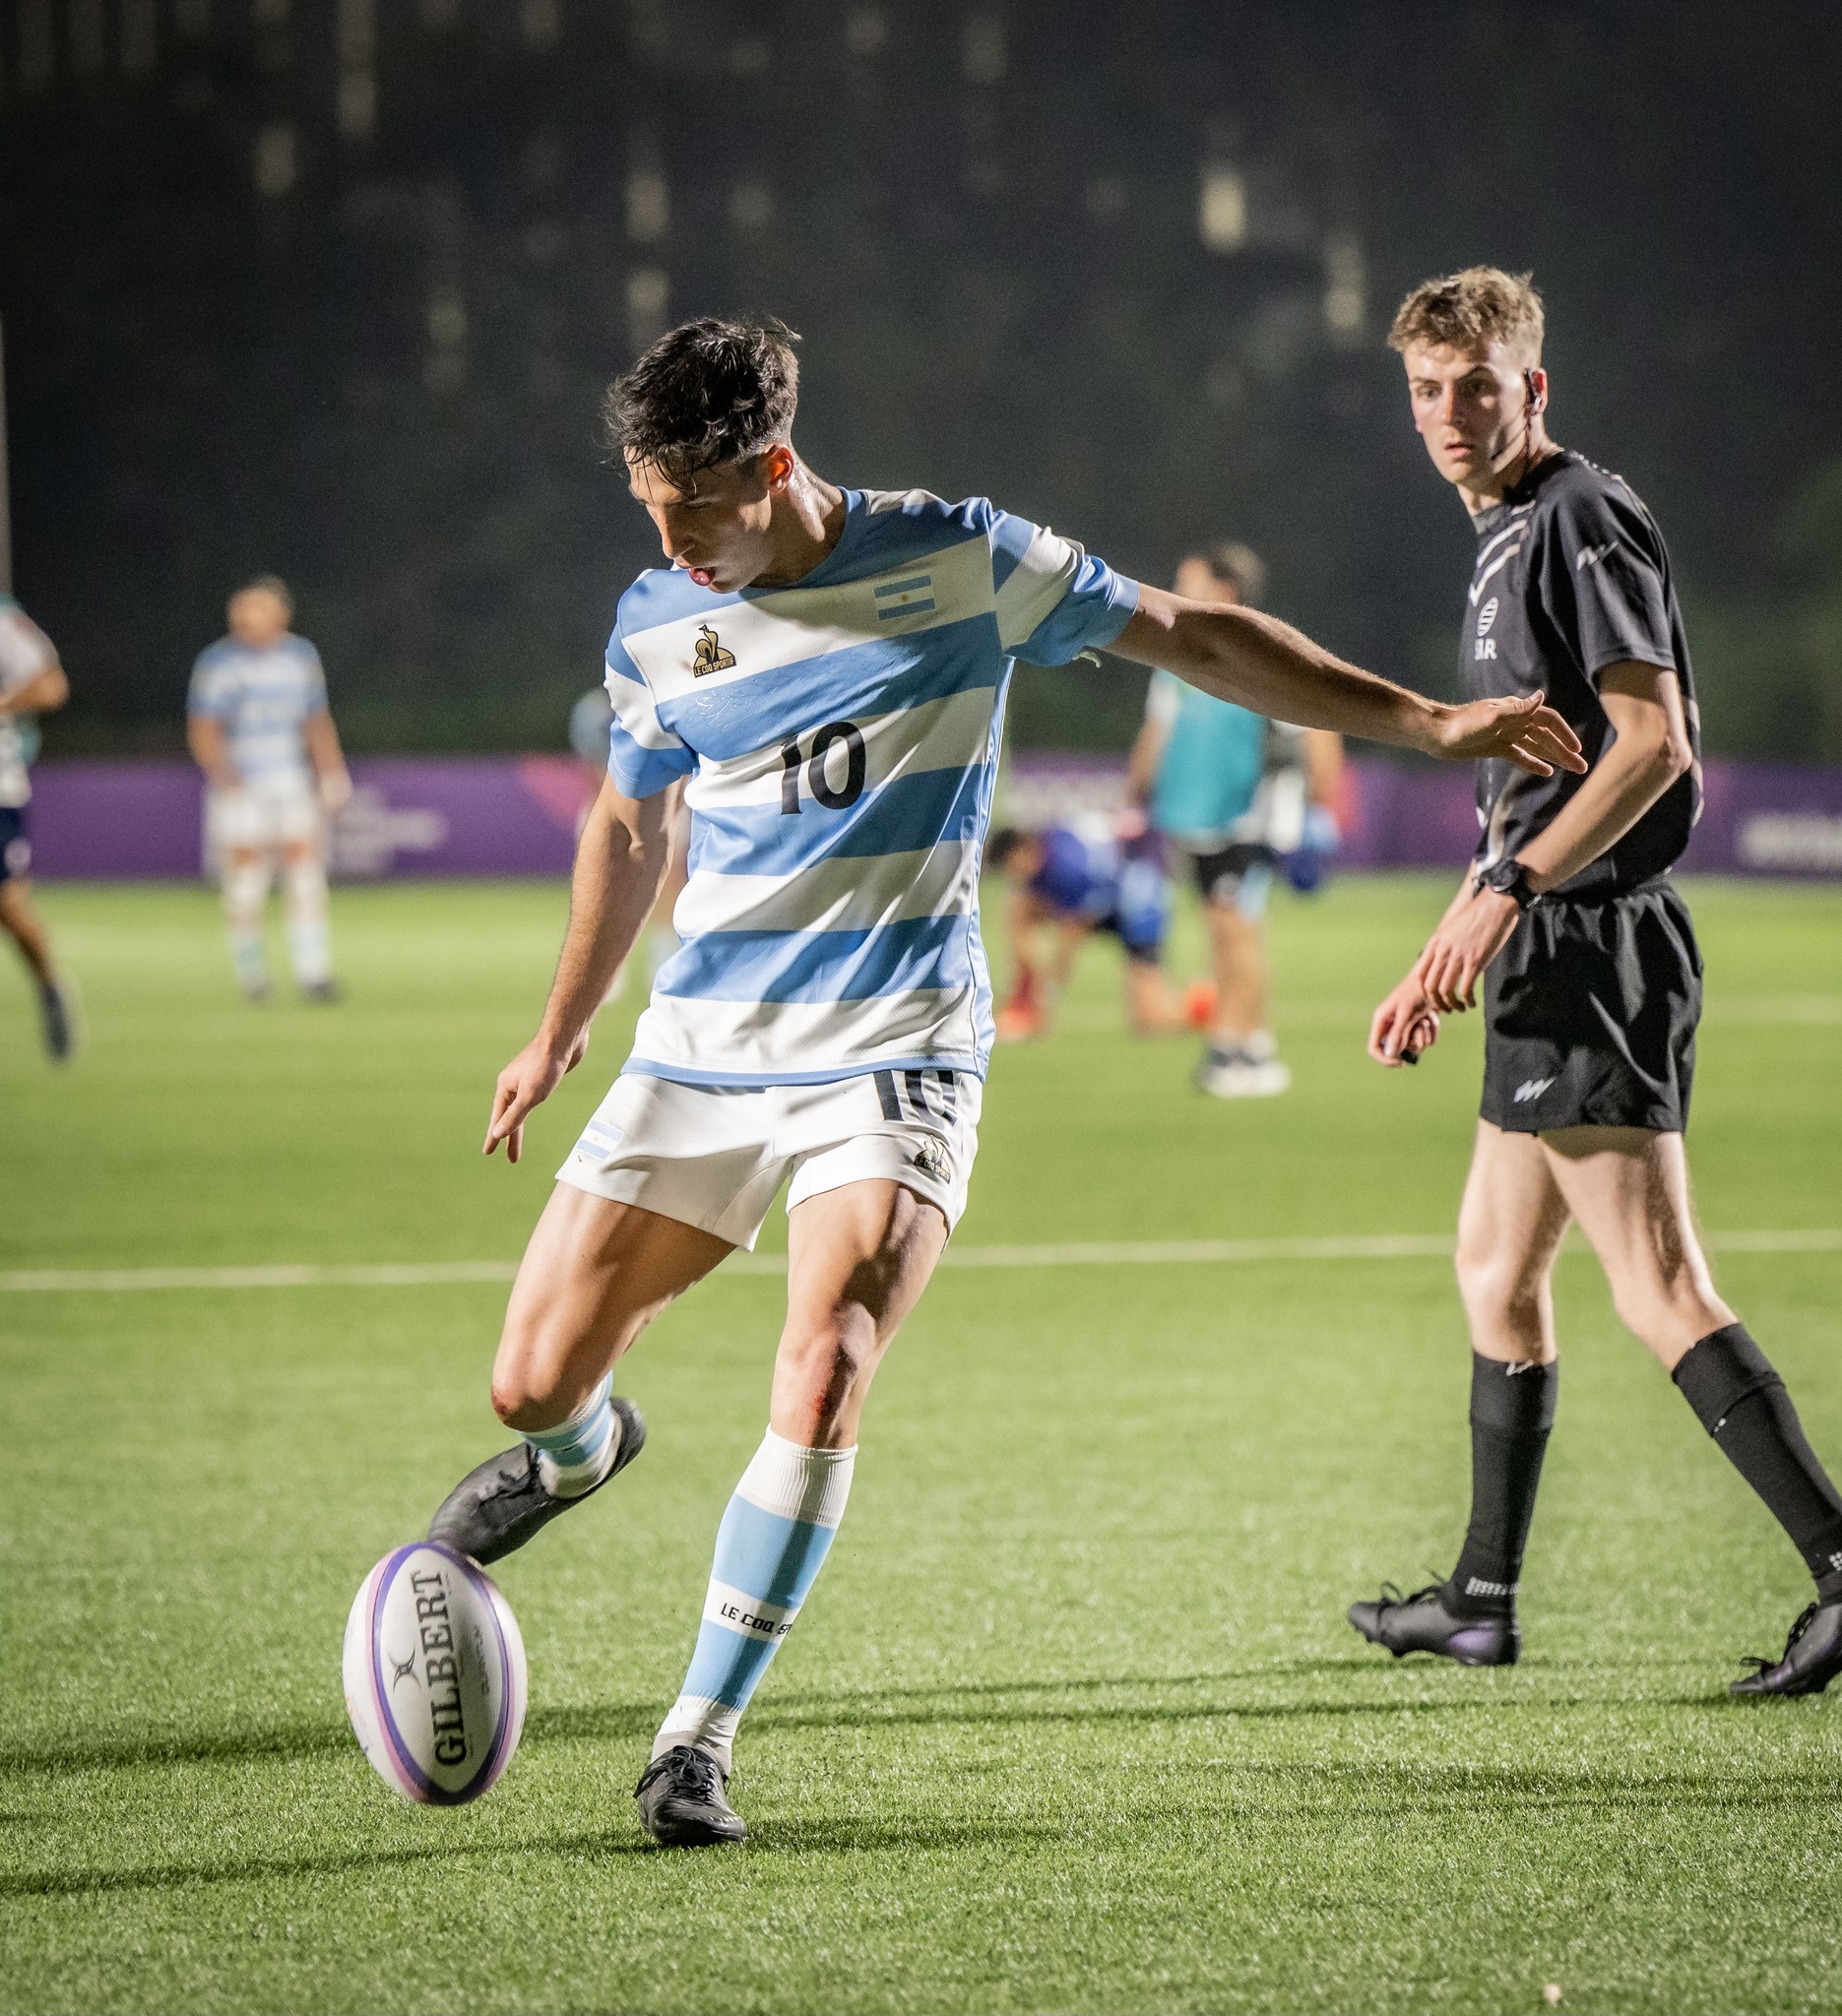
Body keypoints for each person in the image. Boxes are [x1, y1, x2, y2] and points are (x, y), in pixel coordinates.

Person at [418, 315, 1581, 1852]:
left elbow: (1192, 635)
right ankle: (582, 1452)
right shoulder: (655, 622)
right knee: (530, 1381)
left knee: (827, 1359)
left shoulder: (962, 559)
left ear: (771, 466)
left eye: (691, 511)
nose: (668, 541)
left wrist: (1426, 723)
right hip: (701, 1049)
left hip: (897, 1047)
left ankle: (695, 1741)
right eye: (647, 510)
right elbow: (632, 825)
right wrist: (561, 1027)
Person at [1349, 267, 1842, 1697]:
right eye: (1426, 390)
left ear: (1532, 387)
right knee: (1494, 1268)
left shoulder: (1579, 511)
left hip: (1593, 945)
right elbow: (1529, 791)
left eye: (1476, 386)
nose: (1449, 414)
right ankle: (1480, 1599)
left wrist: (1514, 895)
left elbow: (1652, 744)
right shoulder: (1500, 537)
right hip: (1548, 939)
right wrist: (1457, 929)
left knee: (1658, 1286)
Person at [1128, 543, 1346, 1097]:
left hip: (1252, 814)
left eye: (1189, 580)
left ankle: (1244, 1049)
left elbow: (1321, 724)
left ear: (1224, 591)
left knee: (1237, 928)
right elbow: (1156, 736)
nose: (1178, 590)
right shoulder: (1177, 661)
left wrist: (1318, 804)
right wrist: (1134, 796)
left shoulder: (1267, 652)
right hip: (1195, 818)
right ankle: (1242, 1042)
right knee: (1221, 932)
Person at [186, 578, 351, 1001]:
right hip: (242, 785)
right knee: (246, 877)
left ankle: (313, 971)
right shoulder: (218, 663)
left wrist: (332, 773)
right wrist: (222, 775)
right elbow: (203, 728)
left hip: (290, 781)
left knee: (304, 873)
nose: (244, 620)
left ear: (280, 615)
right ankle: (253, 974)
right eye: (239, 612)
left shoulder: (300, 657)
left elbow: (316, 721)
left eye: (255, 611)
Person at [985, 814, 1210, 1040]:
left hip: (1137, 910)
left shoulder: (1066, 867)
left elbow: (1070, 938)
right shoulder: (1043, 854)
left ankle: (1203, 1005)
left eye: (1011, 865)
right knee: (1017, 906)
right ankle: (1021, 999)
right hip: (1099, 905)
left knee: (1151, 1021)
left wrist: (1047, 996)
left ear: (1024, 850)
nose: (1013, 874)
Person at [0, 592, 77, 1059]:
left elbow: (51, 687)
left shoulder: (5, 623)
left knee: (9, 909)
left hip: (0, 790)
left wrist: (3, 702)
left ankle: (49, 987)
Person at [571, 683, 687, 986]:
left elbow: (682, 761)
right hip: (609, 805)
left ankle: (663, 955)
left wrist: (673, 808)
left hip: (661, 801)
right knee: (599, 883)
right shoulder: (593, 712)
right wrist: (606, 814)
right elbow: (591, 768)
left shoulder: (660, 696)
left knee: (671, 875)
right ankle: (602, 969)